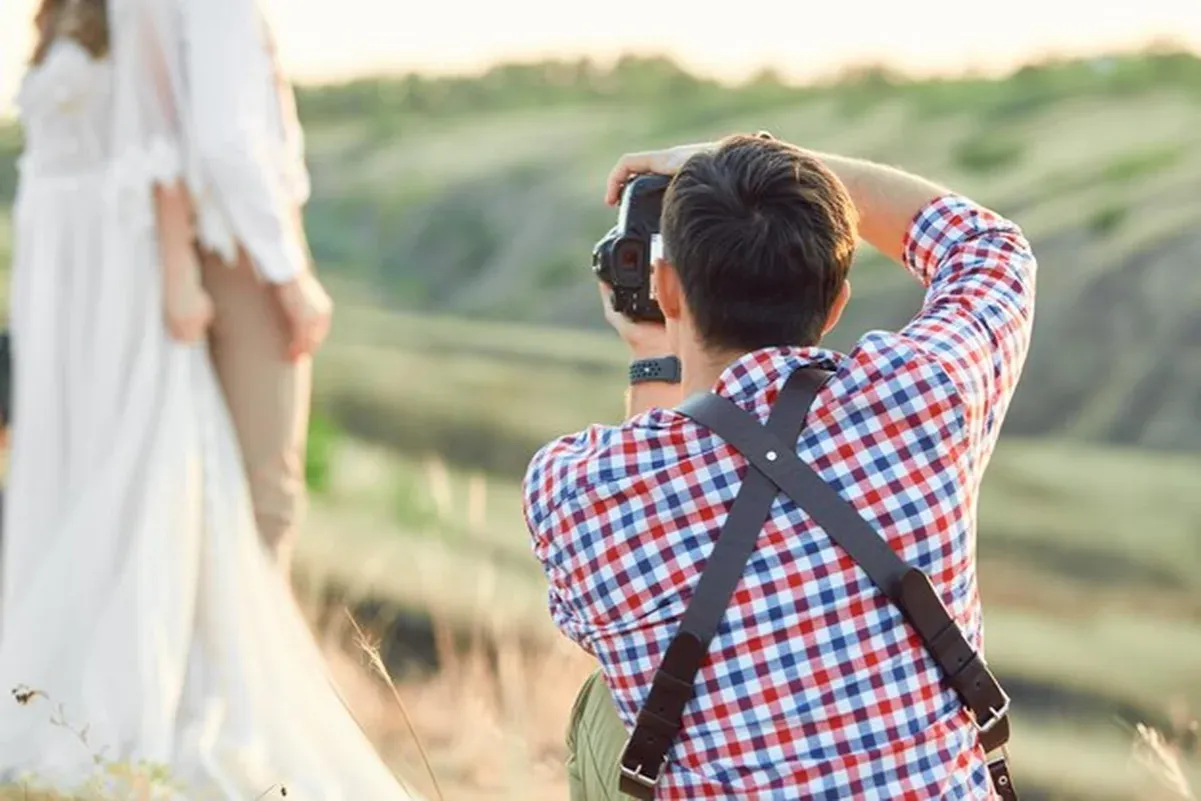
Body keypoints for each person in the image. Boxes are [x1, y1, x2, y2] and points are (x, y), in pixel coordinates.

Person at [523, 134, 1037, 798]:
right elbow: (985, 248)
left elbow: (630, 639)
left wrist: (654, 355)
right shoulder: (921, 393)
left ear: (666, 287)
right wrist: (776, 157)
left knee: (607, 703)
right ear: (834, 304)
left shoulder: (576, 489)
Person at [0, 1, 422, 798]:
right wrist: (282, 274)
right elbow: (215, 140)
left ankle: (213, 699)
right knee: (243, 490)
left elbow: (161, 134)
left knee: (167, 480)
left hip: (107, 261)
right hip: (125, 258)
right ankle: (226, 708)